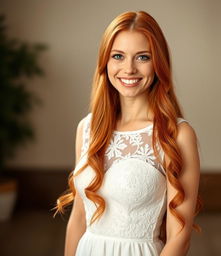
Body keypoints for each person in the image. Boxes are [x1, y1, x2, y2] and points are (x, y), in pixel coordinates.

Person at [53, 10, 202, 256]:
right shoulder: (87, 128)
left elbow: (180, 238)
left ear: (158, 63)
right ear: (105, 62)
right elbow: (79, 219)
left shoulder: (177, 135)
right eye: (118, 56)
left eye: (142, 57)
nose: (129, 69)